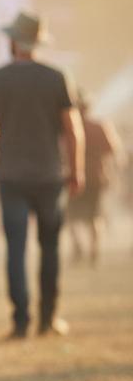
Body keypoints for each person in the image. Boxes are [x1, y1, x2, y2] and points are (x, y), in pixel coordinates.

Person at [0, 12, 84, 338]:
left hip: (11, 174)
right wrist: (76, 171)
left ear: (13, 41)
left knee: (16, 248)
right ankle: (48, 318)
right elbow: (72, 130)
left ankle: (20, 320)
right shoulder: (57, 77)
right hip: (50, 175)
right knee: (49, 247)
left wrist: (4, 141)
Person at [67, 91, 124, 266]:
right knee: (94, 215)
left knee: (72, 216)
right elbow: (113, 150)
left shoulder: (67, 127)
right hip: (95, 177)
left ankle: (81, 247)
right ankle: (93, 250)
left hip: (74, 177)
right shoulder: (99, 126)